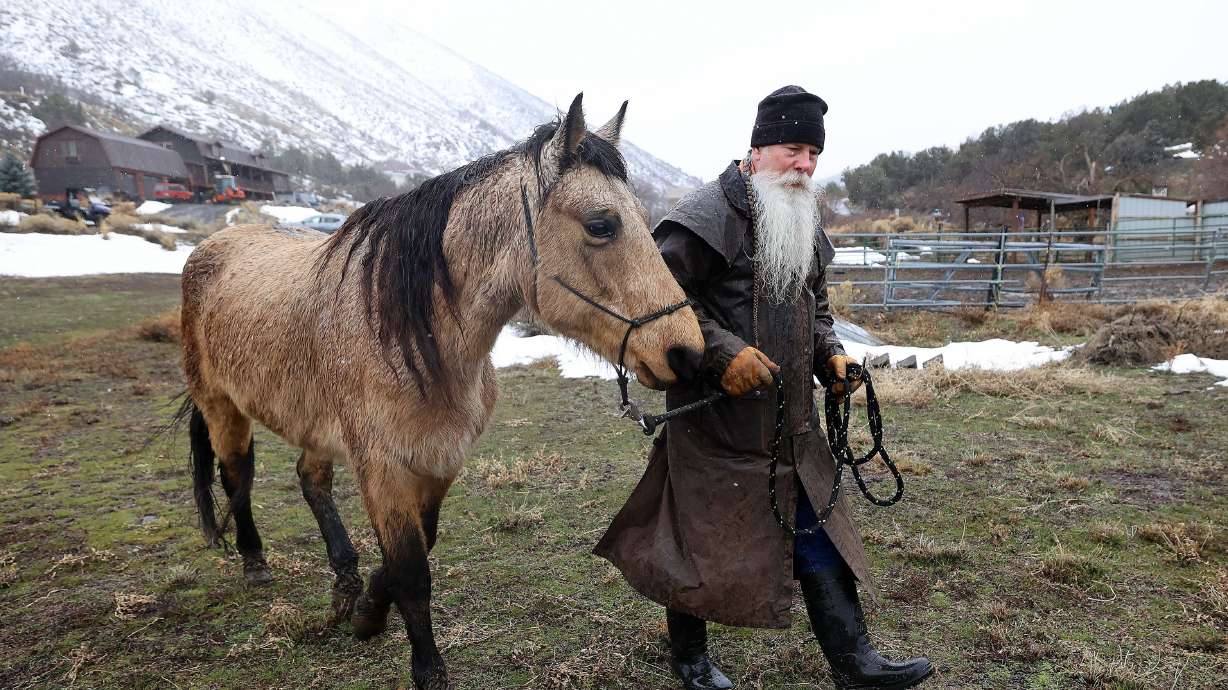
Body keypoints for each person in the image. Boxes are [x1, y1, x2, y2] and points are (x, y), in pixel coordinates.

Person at [595, 86, 933, 690]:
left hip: (790, 424)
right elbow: (658, 304)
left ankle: (855, 663)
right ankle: (691, 660)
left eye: (813, 154)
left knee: (818, 531)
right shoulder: (705, 217)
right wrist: (722, 354)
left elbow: (815, 304)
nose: (804, 166)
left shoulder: (800, 214)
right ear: (757, 150)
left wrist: (830, 355)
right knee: (697, 541)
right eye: (792, 149)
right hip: (716, 424)